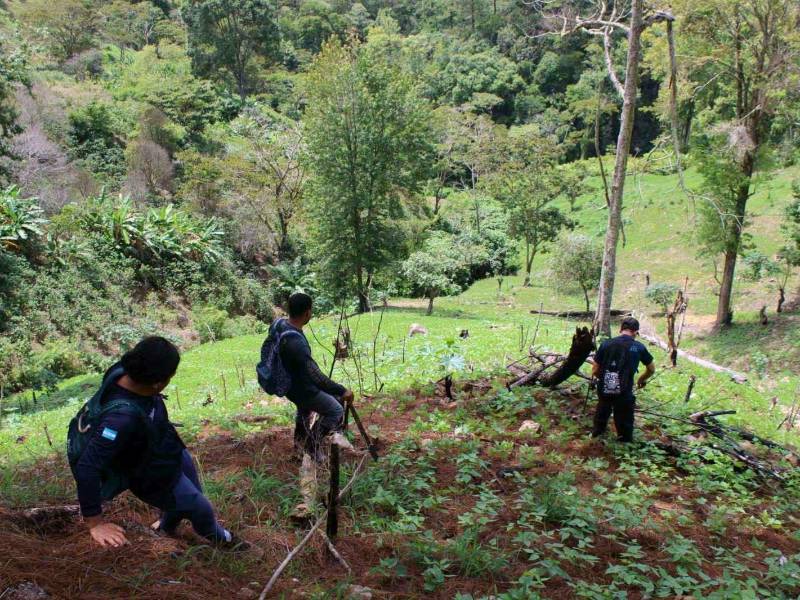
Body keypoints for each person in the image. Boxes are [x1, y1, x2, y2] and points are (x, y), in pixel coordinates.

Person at [70, 337, 244, 550]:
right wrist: (95, 523)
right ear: (158, 383)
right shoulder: (121, 419)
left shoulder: (126, 370)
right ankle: (225, 541)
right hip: (152, 474)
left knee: (192, 494)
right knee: (200, 508)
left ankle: (166, 527)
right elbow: (87, 467)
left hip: (167, 449)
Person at [264, 292, 355, 461]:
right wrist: (342, 390)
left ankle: (298, 448)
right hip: (302, 389)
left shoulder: (280, 324)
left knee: (304, 412)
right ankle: (312, 446)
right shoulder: (296, 343)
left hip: (288, 384)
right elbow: (316, 376)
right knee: (336, 411)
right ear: (307, 313)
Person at [591, 317, 655, 443]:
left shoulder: (606, 344)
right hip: (625, 389)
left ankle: (597, 434)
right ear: (636, 332)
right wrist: (641, 380)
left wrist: (603, 378)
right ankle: (624, 441)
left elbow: (594, 369)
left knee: (602, 409)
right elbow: (651, 369)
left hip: (605, 387)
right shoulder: (639, 347)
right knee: (625, 416)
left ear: (621, 329)